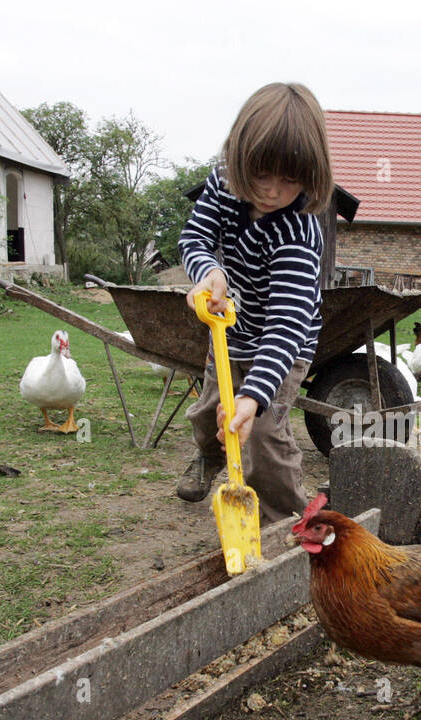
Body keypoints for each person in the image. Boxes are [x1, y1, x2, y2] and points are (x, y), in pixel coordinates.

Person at [175, 82, 333, 523]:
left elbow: (286, 327)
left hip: (282, 345)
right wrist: (209, 270)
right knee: (211, 414)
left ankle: (288, 522)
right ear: (241, 157)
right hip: (230, 328)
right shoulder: (225, 181)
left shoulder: (297, 235)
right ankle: (210, 457)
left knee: (262, 432)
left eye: (289, 178)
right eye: (261, 173)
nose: (271, 190)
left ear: (311, 173)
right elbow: (194, 236)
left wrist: (254, 396)